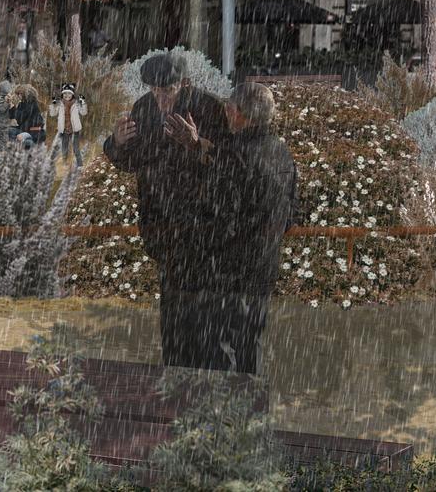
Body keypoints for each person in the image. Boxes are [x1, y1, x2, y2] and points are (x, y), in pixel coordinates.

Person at [103, 52, 229, 368]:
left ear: (184, 83)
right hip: (161, 223)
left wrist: (196, 143)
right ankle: (175, 374)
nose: (160, 97)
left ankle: (208, 377)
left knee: (203, 311)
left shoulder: (208, 107)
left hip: (202, 226)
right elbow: (132, 161)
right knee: (173, 312)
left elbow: (229, 168)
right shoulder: (144, 108)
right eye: (154, 90)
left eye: (166, 90)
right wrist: (116, 144)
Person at [194, 81, 297, 374]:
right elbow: (291, 211)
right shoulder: (281, 152)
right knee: (250, 343)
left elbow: (219, 216)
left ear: (243, 114)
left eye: (231, 107)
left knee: (214, 341)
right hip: (264, 264)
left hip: (229, 269)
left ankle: (224, 407)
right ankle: (250, 407)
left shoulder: (233, 156)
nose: (226, 111)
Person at [49, 82, 88, 166]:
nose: (67, 95)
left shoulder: (76, 103)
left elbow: (84, 113)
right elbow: (52, 114)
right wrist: (53, 104)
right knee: (64, 149)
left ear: (72, 94)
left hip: (74, 129)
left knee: (76, 149)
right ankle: (65, 164)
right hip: (64, 129)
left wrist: (83, 103)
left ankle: (80, 165)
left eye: (69, 93)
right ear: (62, 94)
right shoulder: (60, 104)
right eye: (65, 93)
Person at [10, 84, 46, 150]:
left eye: (20, 94)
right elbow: (12, 116)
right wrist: (12, 107)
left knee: (27, 142)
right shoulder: (22, 104)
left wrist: (14, 107)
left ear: (25, 94)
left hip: (33, 131)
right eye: (18, 94)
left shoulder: (31, 104)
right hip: (25, 129)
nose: (18, 96)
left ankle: (30, 149)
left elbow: (20, 117)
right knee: (9, 131)